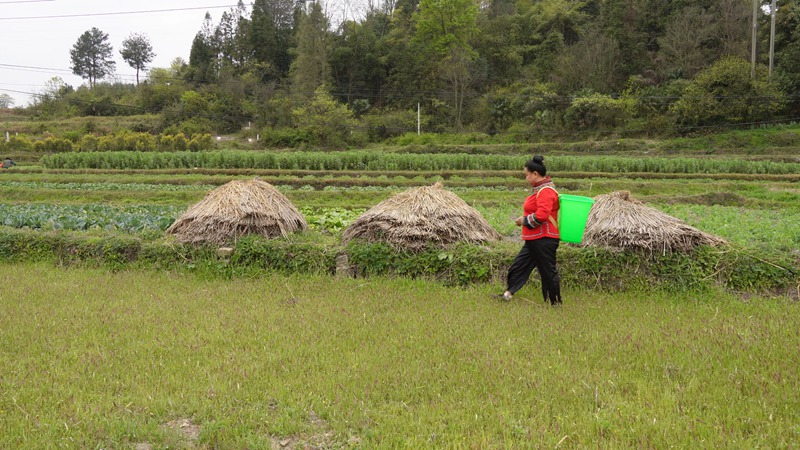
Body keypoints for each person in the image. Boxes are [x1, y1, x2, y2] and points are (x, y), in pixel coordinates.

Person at [498, 155, 562, 305]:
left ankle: (555, 303)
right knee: (518, 266)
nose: (526, 178)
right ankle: (508, 294)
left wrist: (523, 220)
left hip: (544, 239)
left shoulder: (546, 191)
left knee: (547, 272)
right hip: (534, 238)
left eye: (527, 174)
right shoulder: (539, 190)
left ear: (535, 174)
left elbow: (542, 215)